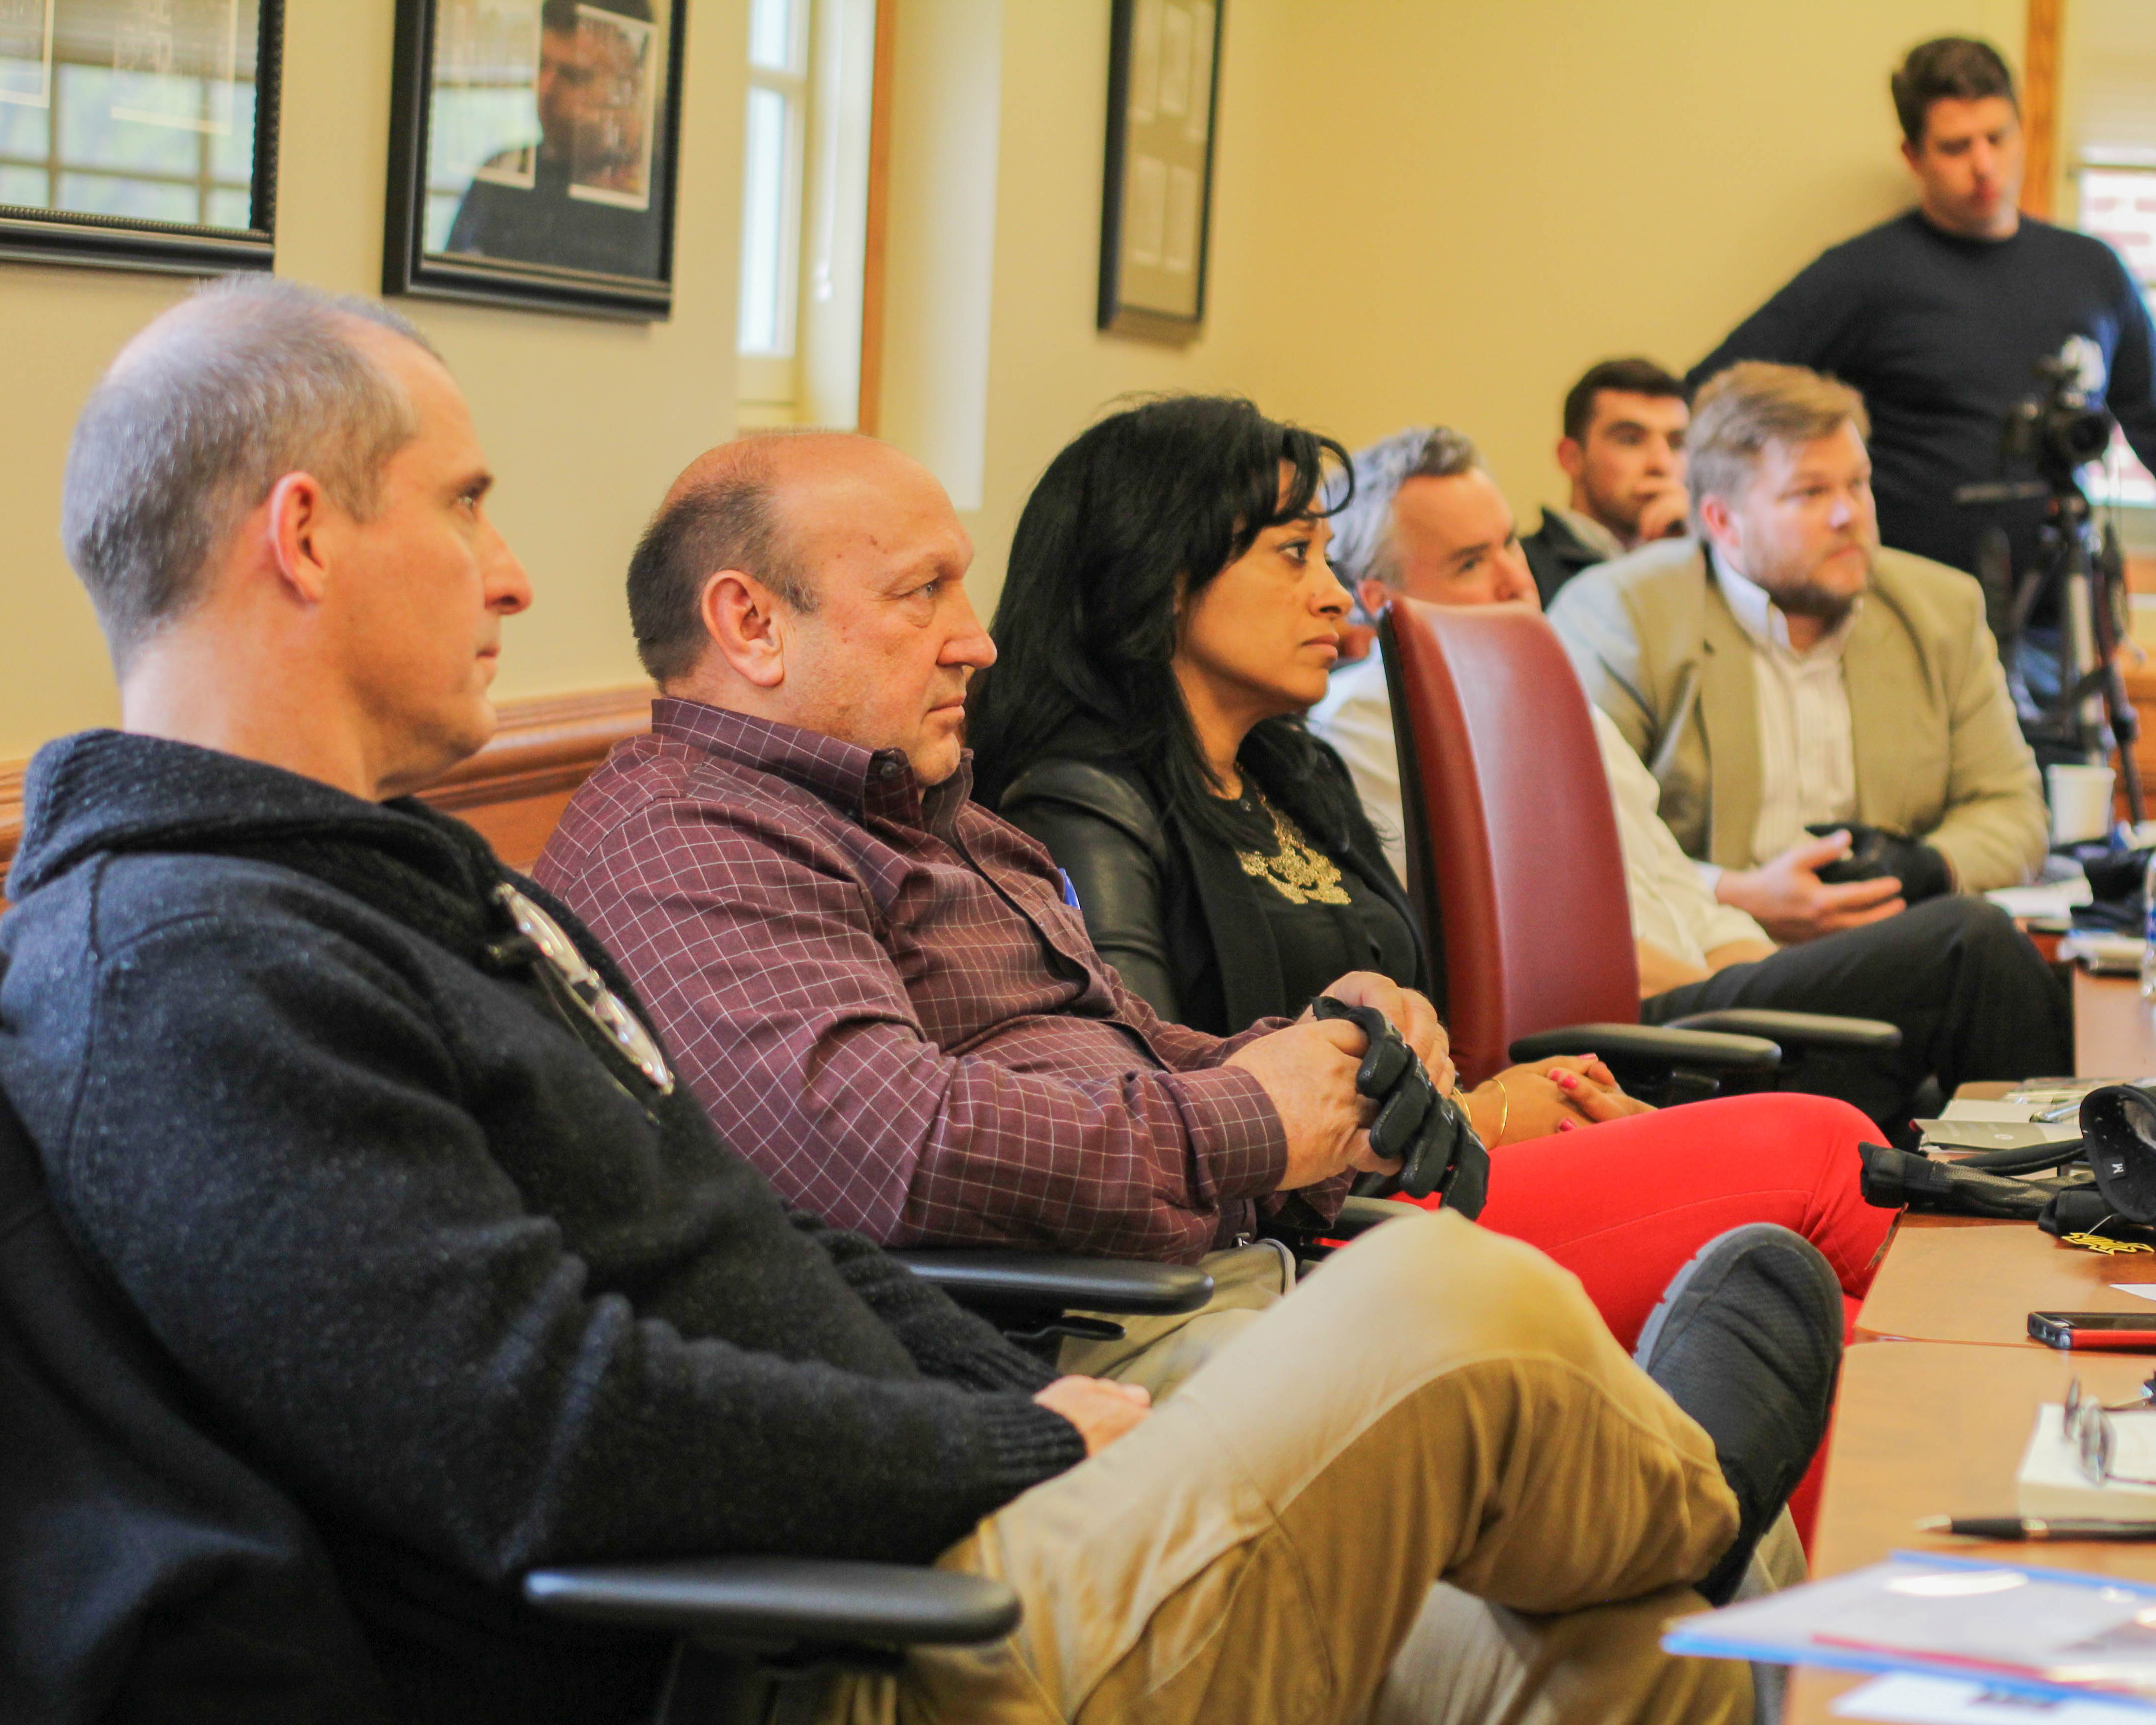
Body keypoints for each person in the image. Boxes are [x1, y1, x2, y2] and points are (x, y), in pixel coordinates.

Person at [0, 273, 1834, 1725]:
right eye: (467, 507)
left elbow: (761, 1246)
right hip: (800, 1663)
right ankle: (1688, 1476)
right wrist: (1023, 1436)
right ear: (305, 537)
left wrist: (1052, 1431)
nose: (514, 572)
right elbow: (539, 1433)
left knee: (1636, 1661)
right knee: (1455, 1303)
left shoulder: (393, 885)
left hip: (937, 1538)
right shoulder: (183, 966)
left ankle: (1675, 1514)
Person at [534, 405, 1890, 1369]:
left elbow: (1144, 1049)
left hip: (1246, 1245)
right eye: (921, 593)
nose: (975, 636)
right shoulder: (693, 835)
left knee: (1815, 1201)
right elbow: (899, 1153)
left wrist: (1344, 1069)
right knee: (1817, 1174)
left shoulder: (933, 815)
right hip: (1103, 1317)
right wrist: (1261, 1117)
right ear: (749, 626)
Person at [1309, 422, 2071, 1134]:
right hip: (1619, 1041)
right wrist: (1750, 993)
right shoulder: (1376, 714)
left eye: (1509, 544)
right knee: (1971, 948)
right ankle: (2062, 1212)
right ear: (1380, 600)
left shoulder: (1545, 692)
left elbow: (1687, 903)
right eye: (1472, 563)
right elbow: (1525, 958)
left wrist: (1793, 984)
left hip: (1702, 1016)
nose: (1516, 578)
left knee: (1962, 998)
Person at [1687, 36, 2156, 631]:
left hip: (2060, 628)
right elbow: (1712, 393)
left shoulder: (2093, 272)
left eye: (1998, 137)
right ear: (1913, 156)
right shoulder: (1863, 275)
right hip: (1905, 619)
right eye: (1956, 147)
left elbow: (2152, 419)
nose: (1983, 165)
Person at [1550, 361, 2049, 918]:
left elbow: (2013, 809)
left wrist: (1929, 865)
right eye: (1809, 493)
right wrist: (1737, 894)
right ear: (1722, 521)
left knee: (1988, 944)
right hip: (1713, 949)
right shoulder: (1623, 615)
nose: (1848, 515)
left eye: (1857, 484)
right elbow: (1580, 842)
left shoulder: (1941, 610)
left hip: (1889, 940)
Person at [443, 0, 666, 279]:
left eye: (574, 76)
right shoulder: (503, 173)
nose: (545, 88)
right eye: (541, 65)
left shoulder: (663, 196)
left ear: (630, 85)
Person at [1520, 357, 1692, 605]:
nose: (1662, 465)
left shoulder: (1710, 566)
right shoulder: (1522, 574)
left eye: (1677, 444)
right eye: (1631, 440)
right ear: (1571, 458)